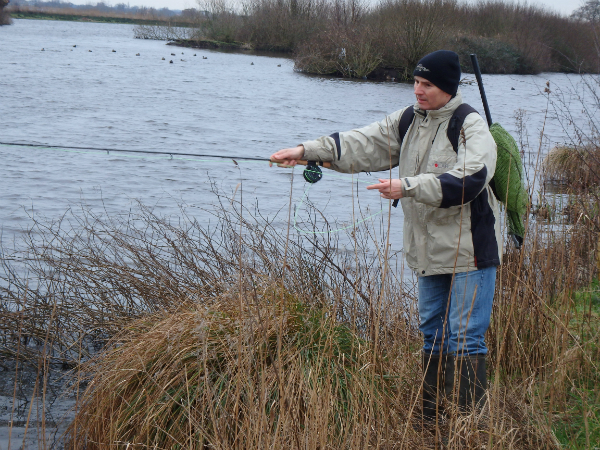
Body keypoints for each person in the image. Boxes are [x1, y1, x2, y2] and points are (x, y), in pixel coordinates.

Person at [270, 50, 500, 425]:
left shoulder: (470, 126)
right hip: (427, 252)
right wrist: (304, 151)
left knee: (464, 339)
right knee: (432, 336)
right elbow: (363, 143)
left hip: (471, 251)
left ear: (446, 87)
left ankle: (469, 427)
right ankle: (431, 418)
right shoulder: (409, 120)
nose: (417, 90)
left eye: (426, 84)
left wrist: (408, 186)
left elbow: (471, 178)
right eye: (416, 82)